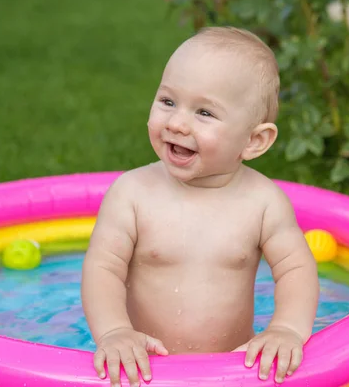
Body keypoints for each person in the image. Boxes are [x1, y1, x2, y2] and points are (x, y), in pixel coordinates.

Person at [81, 26, 319, 387]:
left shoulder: (263, 203)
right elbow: (102, 268)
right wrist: (115, 332)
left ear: (255, 140)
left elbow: (296, 269)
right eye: (168, 101)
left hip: (234, 371)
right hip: (144, 370)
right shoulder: (132, 193)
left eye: (205, 113)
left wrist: (285, 329)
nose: (177, 123)